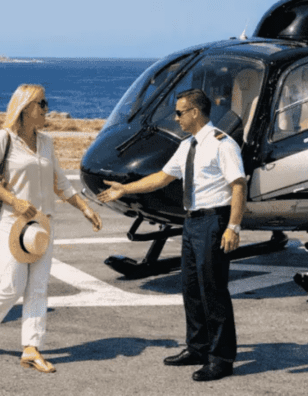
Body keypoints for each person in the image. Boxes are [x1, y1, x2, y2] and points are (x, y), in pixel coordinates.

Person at [98, 88, 246, 382]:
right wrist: (125, 189)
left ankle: (222, 358)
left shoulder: (222, 144)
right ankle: (197, 347)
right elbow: (162, 177)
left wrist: (233, 227)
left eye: (179, 112)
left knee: (213, 290)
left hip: (214, 221)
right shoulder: (188, 145)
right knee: (191, 288)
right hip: (192, 222)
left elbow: (239, 186)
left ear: (195, 112)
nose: (176, 118)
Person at [0, 84, 103, 373]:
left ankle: (31, 347)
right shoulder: (3, 138)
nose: (46, 108)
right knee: (13, 284)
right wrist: (14, 201)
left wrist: (85, 208)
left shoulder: (46, 142)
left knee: (38, 288)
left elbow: (60, 182)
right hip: (12, 222)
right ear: (25, 107)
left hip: (42, 225)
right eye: (41, 104)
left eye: (45, 103)